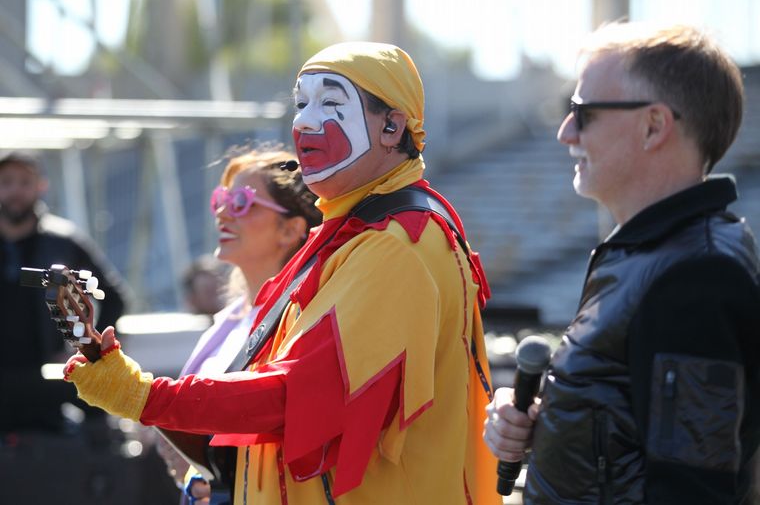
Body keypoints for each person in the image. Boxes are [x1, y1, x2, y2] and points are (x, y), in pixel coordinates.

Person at [63, 42, 500, 504]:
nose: (305, 121)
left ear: (392, 126)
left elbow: (293, 398)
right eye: (302, 102)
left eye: (331, 103)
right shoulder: (356, 233)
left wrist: (143, 397)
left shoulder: (396, 244)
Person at [483, 22, 760, 504]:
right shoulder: (652, 251)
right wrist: (551, 425)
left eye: (582, 112)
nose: (565, 132)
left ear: (654, 125)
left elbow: (691, 491)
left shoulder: (695, 274)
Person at [156, 145, 321, 503]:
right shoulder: (228, 321)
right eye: (222, 200)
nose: (221, 213)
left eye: (242, 203)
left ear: (290, 229)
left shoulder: (304, 318)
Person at [0, 151, 129, 434]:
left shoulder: (64, 242)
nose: (15, 191)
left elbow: (113, 296)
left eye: (24, 182)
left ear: (40, 186)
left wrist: (87, 347)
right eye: (6, 182)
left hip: (49, 378)